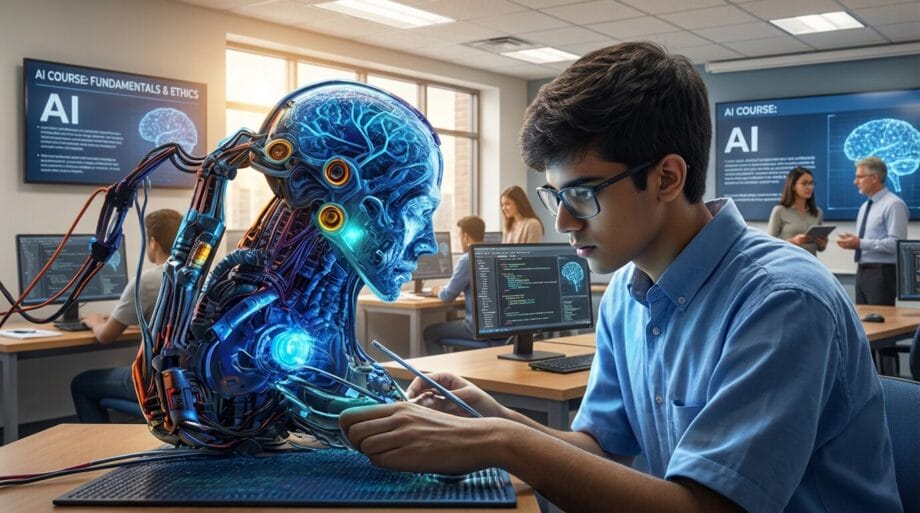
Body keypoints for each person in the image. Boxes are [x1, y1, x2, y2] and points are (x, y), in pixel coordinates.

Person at [339, 43, 901, 513]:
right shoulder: (627, 299)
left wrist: (500, 441)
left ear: (666, 177)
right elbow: (601, 449)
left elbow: (708, 509)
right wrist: (492, 415)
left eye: (581, 194)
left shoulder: (781, 300)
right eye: (554, 195)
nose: (561, 220)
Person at [71, 208, 182, 422]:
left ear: (152, 242)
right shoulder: (201, 276)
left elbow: (106, 336)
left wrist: (95, 322)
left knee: (81, 384)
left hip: (154, 383)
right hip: (187, 382)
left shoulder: (147, 281)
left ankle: (97, 451)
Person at [837, 156, 908, 305]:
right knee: (864, 323)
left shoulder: (894, 204)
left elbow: (896, 244)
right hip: (862, 271)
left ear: (874, 177)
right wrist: (854, 242)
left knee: (881, 322)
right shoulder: (865, 206)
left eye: (859, 177)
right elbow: (867, 240)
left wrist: (860, 243)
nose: (855, 182)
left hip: (882, 273)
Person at [422, 216, 493, 355]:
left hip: (475, 328)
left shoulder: (467, 259)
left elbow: (447, 296)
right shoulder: (492, 254)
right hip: (496, 329)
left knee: (430, 333)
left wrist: (437, 291)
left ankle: (440, 375)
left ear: (466, 237)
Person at [767, 167, 827, 256]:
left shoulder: (818, 212)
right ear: (793, 186)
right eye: (804, 183)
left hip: (811, 264)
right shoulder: (779, 211)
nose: (809, 187)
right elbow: (770, 245)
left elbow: (820, 248)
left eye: (811, 183)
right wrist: (793, 241)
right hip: (788, 264)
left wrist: (822, 244)